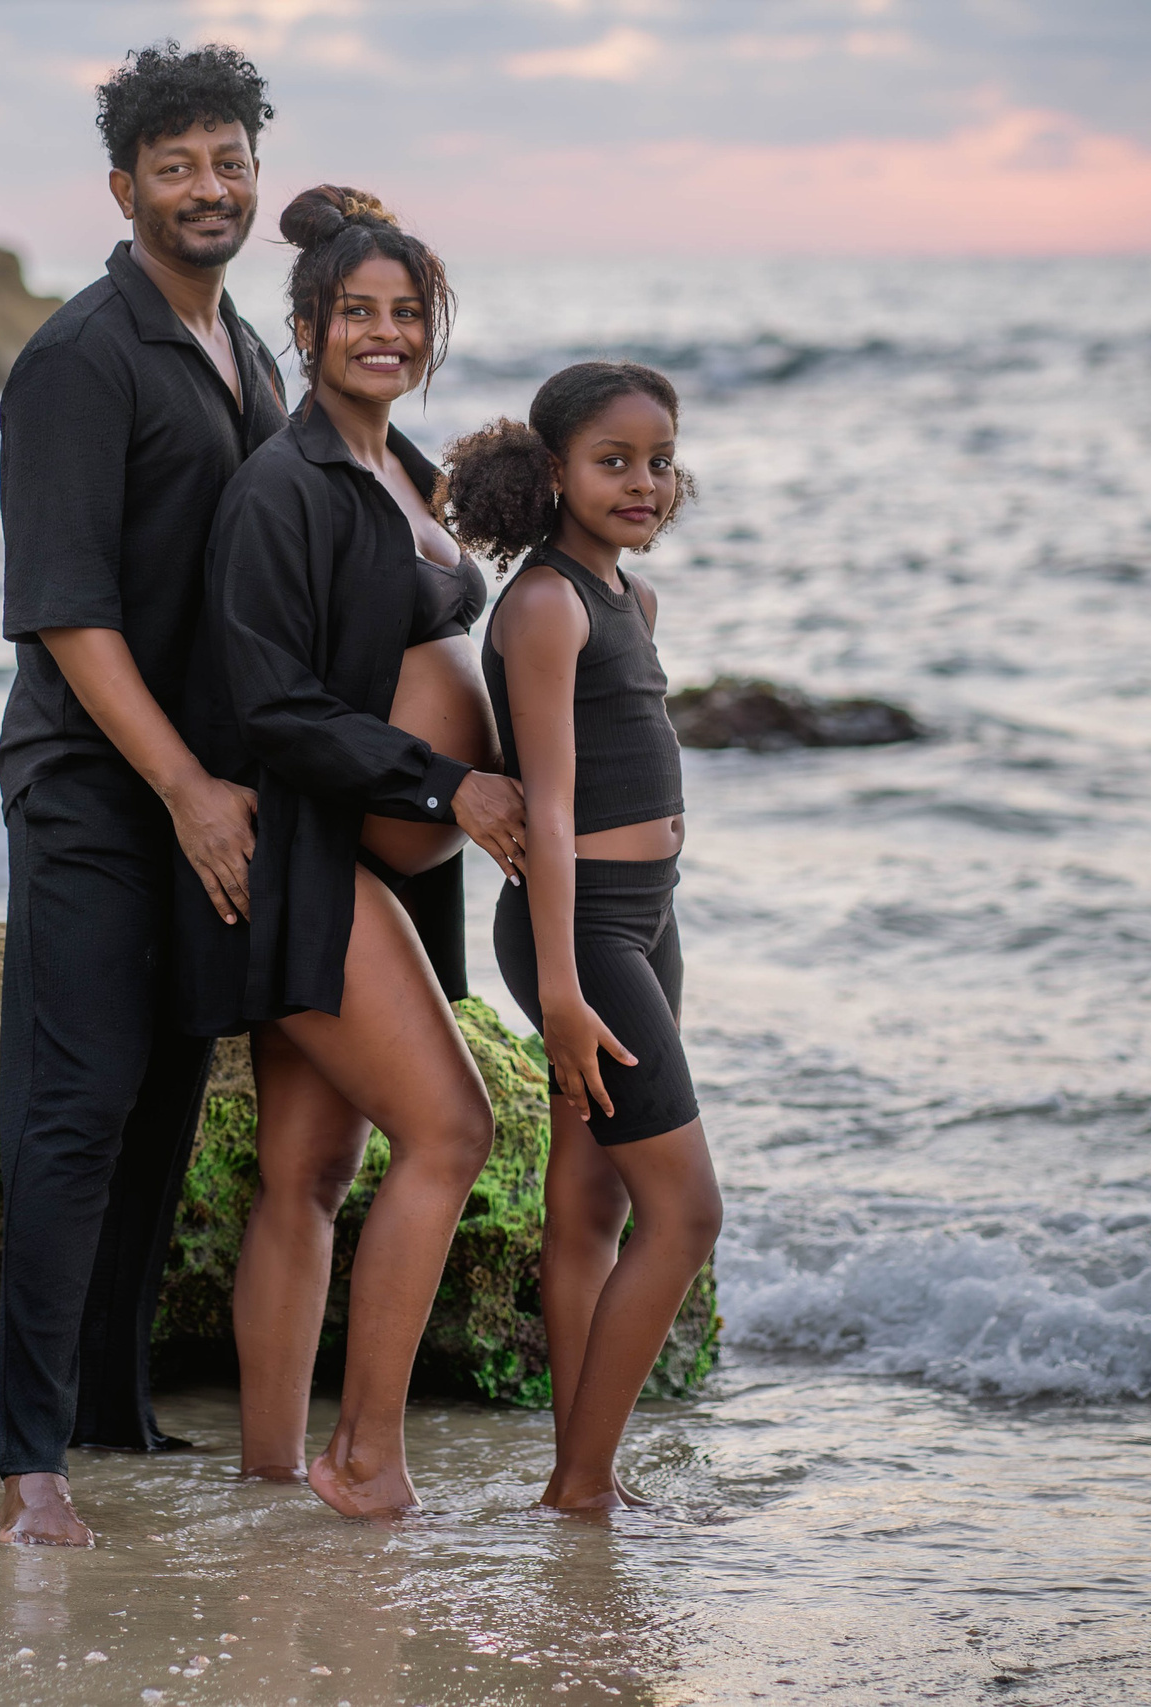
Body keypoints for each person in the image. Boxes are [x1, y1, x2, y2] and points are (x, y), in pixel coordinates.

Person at [179, 186, 527, 1518]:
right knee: (452, 1127)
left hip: (385, 870)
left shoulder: (401, 462)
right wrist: (450, 781)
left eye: (406, 313)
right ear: (309, 328)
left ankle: (272, 1473)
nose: (384, 333)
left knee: (307, 1173)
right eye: (356, 313)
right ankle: (366, 1454)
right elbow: (272, 704)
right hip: (316, 858)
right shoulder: (286, 484)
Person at [0, 41, 289, 1547]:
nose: (208, 186)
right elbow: (62, 607)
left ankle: (114, 1411)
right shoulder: (77, 358)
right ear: (124, 188)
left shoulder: (256, 355)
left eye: (229, 159)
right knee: (74, 1110)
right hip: (100, 791)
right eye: (176, 164)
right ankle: (29, 1460)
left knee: (169, 1101)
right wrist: (176, 782)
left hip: (214, 798)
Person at [444, 363, 723, 1511]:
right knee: (686, 1209)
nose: (642, 482)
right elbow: (546, 808)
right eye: (613, 462)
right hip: (583, 939)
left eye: (659, 461)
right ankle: (582, 1484)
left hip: (643, 922)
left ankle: (580, 1469)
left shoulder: (629, 602)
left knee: (593, 1204)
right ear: (553, 471)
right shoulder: (546, 603)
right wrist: (560, 987)